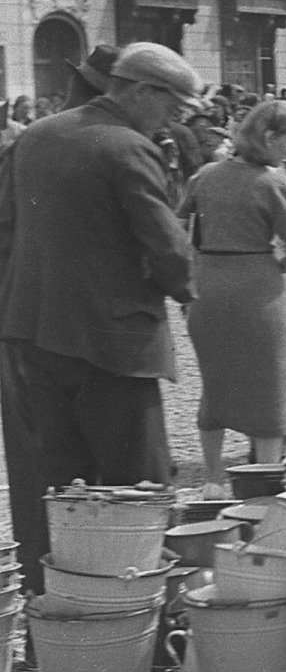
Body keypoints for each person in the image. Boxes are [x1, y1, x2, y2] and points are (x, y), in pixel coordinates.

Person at [0, 42, 202, 595]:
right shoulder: (129, 149)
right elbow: (170, 251)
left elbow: (9, 229)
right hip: (112, 344)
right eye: (172, 108)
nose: (173, 121)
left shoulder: (37, 135)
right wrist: (187, 290)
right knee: (137, 484)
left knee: (61, 485)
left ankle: (66, 604)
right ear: (140, 90)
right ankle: (135, 611)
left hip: (31, 334)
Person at [179, 99, 286, 488]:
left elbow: (176, 224)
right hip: (258, 290)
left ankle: (214, 477)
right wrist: (275, 265)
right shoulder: (275, 182)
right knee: (270, 389)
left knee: (214, 384)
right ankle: (265, 482)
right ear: (269, 137)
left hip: (209, 286)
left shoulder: (203, 176)